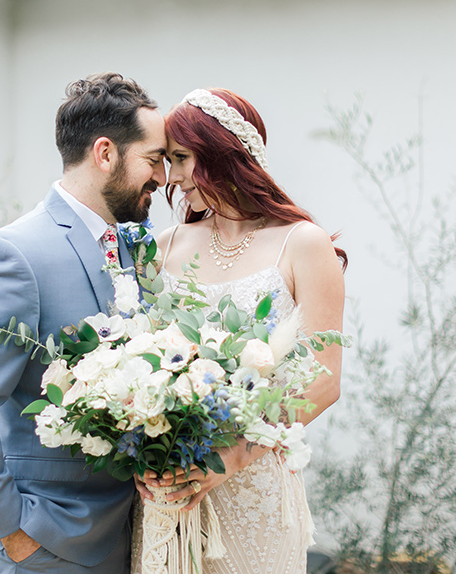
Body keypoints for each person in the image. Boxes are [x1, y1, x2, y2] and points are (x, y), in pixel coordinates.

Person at [0, 73, 167, 574]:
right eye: (154, 159)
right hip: (50, 542)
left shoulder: (134, 248)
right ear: (105, 153)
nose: (163, 177)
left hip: (136, 531)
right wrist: (13, 535)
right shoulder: (15, 254)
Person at [133, 88, 346, 574]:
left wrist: (230, 458)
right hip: (171, 490)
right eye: (166, 160)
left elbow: (323, 380)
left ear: (221, 151)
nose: (172, 176)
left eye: (182, 159)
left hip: (254, 484)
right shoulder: (164, 247)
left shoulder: (300, 243)